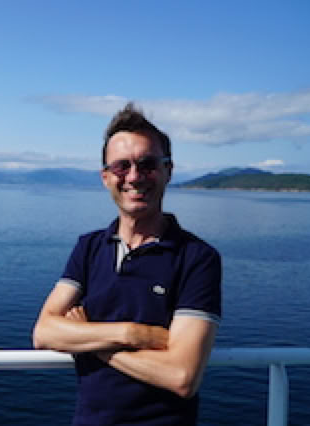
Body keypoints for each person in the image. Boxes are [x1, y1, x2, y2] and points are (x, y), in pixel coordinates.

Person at [33, 103, 221, 426]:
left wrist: (89, 340)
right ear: (106, 177)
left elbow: (182, 376)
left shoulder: (197, 258)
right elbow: (44, 332)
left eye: (147, 164)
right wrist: (134, 333)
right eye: (122, 166)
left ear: (168, 171)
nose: (134, 177)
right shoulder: (89, 248)